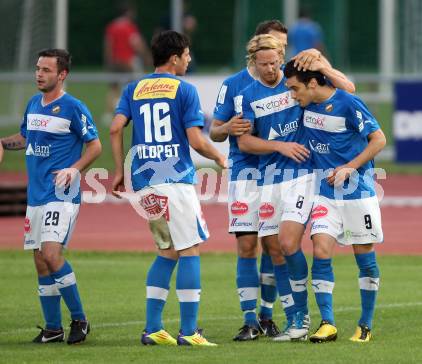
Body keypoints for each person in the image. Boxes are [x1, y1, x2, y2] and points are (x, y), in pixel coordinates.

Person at [110, 30, 226, 346]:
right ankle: (189, 332)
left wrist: (120, 170)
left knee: (168, 251)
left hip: (144, 184)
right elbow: (196, 139)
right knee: (190, 250)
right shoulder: (184, 90)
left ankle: (153, 329)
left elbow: (115, 127)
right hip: (174, 181)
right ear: (174, 57)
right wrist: (218, 156)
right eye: (187, 55)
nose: (189, 60)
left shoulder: (133, 88)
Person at [237, 34, 355, 342]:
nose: (271, 68)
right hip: (267, 177)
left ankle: (302, 316)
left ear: (281, 56)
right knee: (274, 248)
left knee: (289, 243)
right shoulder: (249, 94)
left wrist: (317, 56)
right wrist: (279, 145)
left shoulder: (299, 81)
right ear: (254, 62)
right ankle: (295, 322)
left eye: (275, 61)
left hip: (301, 175)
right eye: (264, 63)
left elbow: (345, 89)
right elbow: (244, 141)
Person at [0, 49, 102, 344]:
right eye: (37, 68)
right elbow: (25, 138)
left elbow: (94, 146)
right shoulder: (33, 104)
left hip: (61, 194)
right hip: (36, 196)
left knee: (52, 254)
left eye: (45, 69)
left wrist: (74, 169)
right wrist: (3, 143)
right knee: (40, 261)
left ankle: (80, 319)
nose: (39, 74)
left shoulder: (73, 107)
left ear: (62, 75)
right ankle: (53, 328)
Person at [283, 60, 386, 343]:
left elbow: (378, 140)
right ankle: (327, 323)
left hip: (357, 192)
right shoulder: (305, 108)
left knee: (364, 259)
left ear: (313, 83)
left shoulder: (348, 103)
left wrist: (350, 167)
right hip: (325, 193)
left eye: (295, 89)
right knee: (320, 248)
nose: (293, 95)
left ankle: (365, 325)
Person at [209, 20, 289, 341]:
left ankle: (268, 316)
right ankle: (249, 320)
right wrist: (229, 127)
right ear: (254, 53)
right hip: (245, 173)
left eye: (281, 49)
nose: (278, 56)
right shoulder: (234, 85)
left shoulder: (288, 82)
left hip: (278, 175)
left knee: (273, 246)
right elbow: (214, 130)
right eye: (274, 47)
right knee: (246, 245)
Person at [104, 1, 152, 121]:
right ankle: (138, 111)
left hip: (114, 62)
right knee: (138, 86)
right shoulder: (129, 27)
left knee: (113, 89)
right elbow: (137, 44)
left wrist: (108, 61)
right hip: (128, 62)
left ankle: (109, 115)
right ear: (128, 12)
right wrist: (147, 57)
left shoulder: (112, 26)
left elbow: (108, 45)